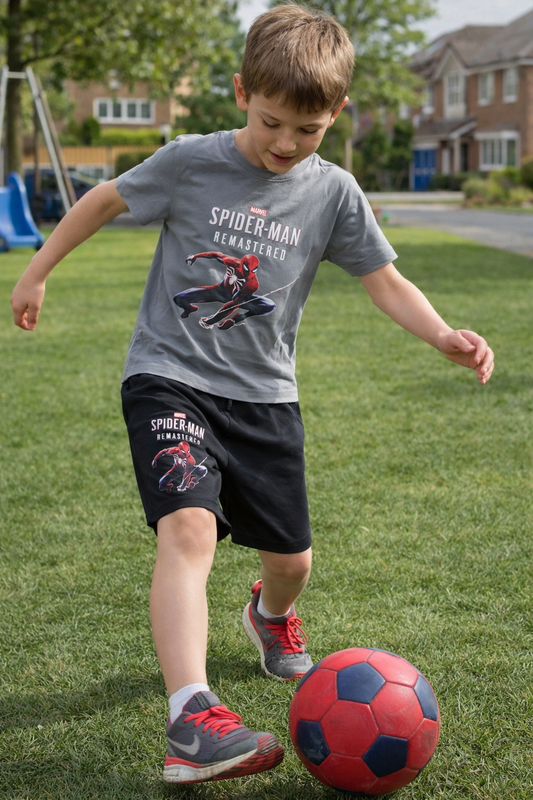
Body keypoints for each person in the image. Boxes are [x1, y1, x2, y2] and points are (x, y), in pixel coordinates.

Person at [10, 3, 494, 787]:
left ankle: (267, 617)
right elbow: (102, 201)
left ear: (335, 115)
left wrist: (439, 333)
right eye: (271, 121)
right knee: (189, 531)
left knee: (292, 560)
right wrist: (36, 270)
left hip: (265, 398)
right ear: (241, 92)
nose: (283, 143)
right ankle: (192, 716)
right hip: (168, 377)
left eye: (306, 130)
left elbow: (385, 280)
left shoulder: (333, 194)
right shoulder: (188, 160)